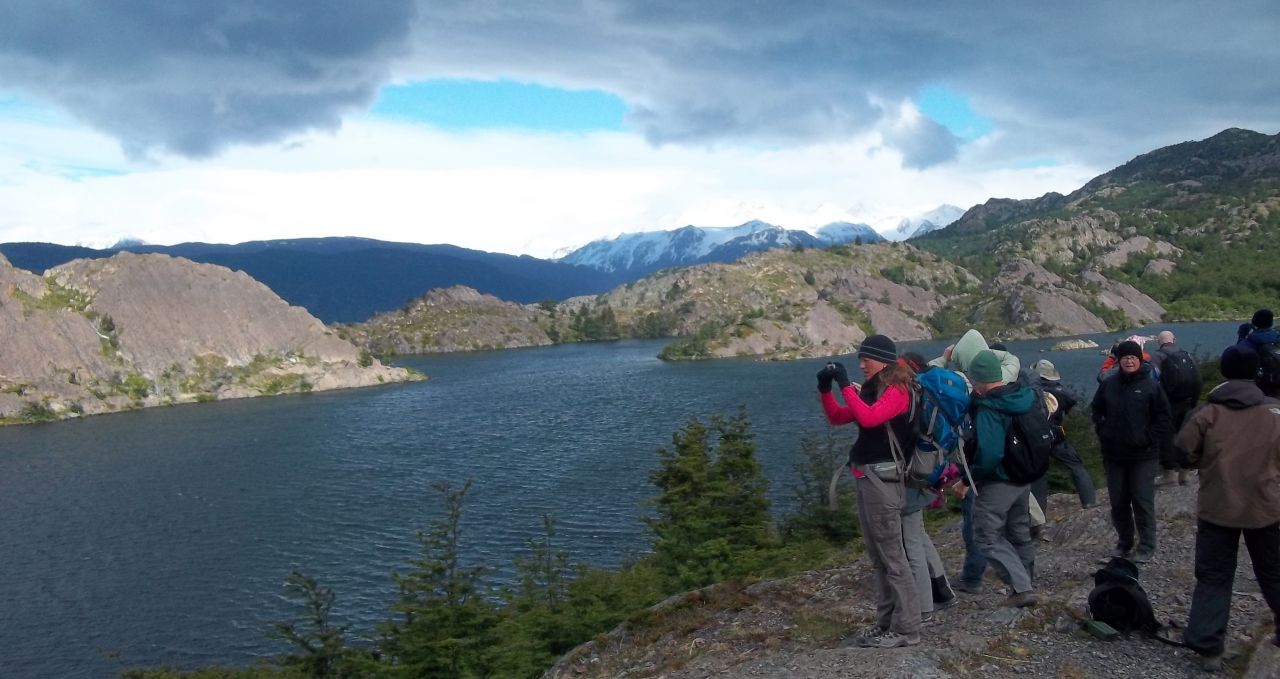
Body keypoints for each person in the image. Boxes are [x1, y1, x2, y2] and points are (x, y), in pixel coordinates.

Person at [1173, 345, 1280, 672]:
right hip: (1266, 507)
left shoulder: (1207, 413)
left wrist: (1203, 462)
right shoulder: (1274, 412)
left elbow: (1182, 452)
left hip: (1217, 507)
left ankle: (1208, 648)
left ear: (1224, 372)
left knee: (1213, 577)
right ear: (1256, 372)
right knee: (1275, 571)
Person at [817, 335, 921, 648]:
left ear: (884, 361)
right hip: (867, 478)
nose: (861, 364)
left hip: (883, 482)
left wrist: (845, 383)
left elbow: (869, 416)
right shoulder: (876, 389)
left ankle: (907, 629)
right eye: (860, 359)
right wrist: (825, 389)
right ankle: (886, 621)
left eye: (867, 359)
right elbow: (838, 417)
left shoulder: (899, 390)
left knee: (892, 556)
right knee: (879, 557)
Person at [965, 350, 1039, 607]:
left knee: (986, 536)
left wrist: (970, 478)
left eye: (974, 381)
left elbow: (989, 452)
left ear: (979, 380)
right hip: (1024, 475)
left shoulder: (990, 407)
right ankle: (1027, 580)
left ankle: (1021, 588)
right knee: (1019, 531)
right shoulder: (1022, 396)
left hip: (999, 480)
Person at [1091, 340, 1172, 563]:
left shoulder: (1150, 386)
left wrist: (1148, 438)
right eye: (1125, 357)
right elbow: (1096, 409)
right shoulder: (1108, 385)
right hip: (1114, 454)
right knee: (1118, 502)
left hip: (1143, 455)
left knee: (1142, 500)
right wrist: (1103, 429)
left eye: (1133, 357)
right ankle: (1124, 543)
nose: (1128, 360)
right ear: (1119, 361)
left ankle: (1146, 545)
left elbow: (1163, 417)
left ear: (1139, 360)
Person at [1029, 359, 1097, 511]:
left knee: (1039, 474)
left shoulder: (1030, 390)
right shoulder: (1061, 391)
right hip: (1057, 436)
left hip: (1036, 438)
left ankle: (1039, 515)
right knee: (1076, 466)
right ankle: (1089, 503)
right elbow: (1072, 402)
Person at [1147, 330, 1202, 486]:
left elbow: (1152, 381)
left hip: (1167, 403)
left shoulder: (1157, 356)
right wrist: (1194, 402)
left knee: (1166, 437)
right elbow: (1198, 379)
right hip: (1187, 401)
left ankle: (1169, 474)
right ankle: (1185, 472)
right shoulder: (1188, 355)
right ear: (1174, 340)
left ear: (1159, 342)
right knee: (1185, 435)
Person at [1237, 308, 1279, 397]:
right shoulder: (1277, 338)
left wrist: (1241, 336)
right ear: (1271, 323)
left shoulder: (1250, 341)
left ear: (1254, 322)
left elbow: (1236, 356)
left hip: (1260, 388)